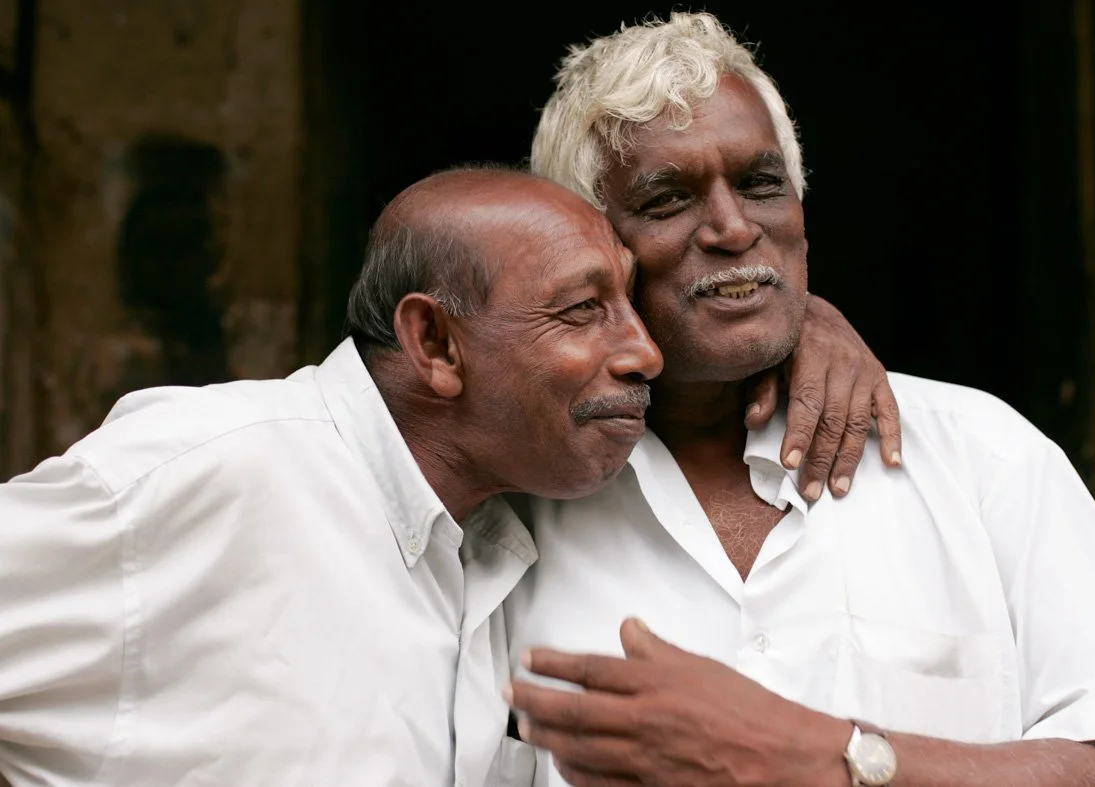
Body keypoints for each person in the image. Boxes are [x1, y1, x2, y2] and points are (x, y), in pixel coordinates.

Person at [0, 163, 897, 787]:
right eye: (583, 310)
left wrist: (800, 324)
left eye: (628, 301)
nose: (644, 352)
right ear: (433, 342)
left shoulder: (490, 543)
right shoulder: (215, 471)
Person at [503, 12, 1095, 787]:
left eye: (759, 184)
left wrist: (835, 757)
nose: (731, 227)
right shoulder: (512, 505)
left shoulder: (980, 456)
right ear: (586, 247)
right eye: (667, 199)